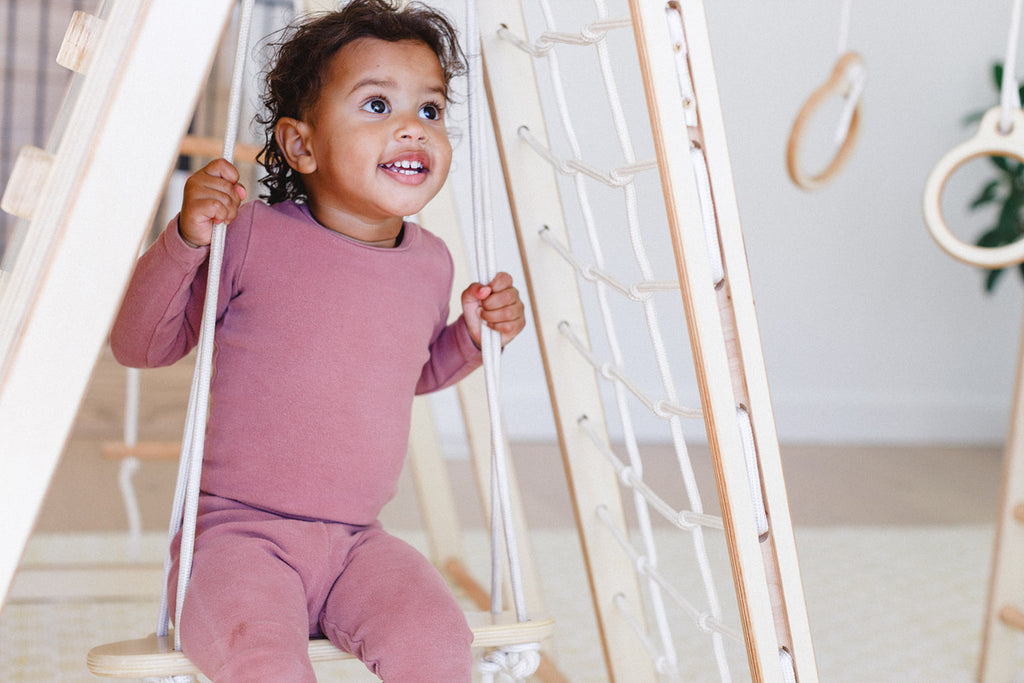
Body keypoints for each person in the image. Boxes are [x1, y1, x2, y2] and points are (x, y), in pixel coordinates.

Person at [109, 1, 526, 680]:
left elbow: (409, 370)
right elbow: (139, 345)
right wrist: (186, 239)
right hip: (237, 538)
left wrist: (472, 337)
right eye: (376, 106)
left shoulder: (432, 262)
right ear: (302, 145)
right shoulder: (250, 237)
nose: (411, 130)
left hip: (359, 544)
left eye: (429, 111)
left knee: (438, 644)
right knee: (264, 663)